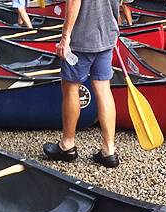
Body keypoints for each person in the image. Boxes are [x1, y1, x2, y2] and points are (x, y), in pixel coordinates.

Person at [43, 0, 121, 168]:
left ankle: (67, 145)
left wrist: (65, 38)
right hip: (107, 34)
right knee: (103, 90)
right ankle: (109, 151)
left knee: (71, 87)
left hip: (82, 37)